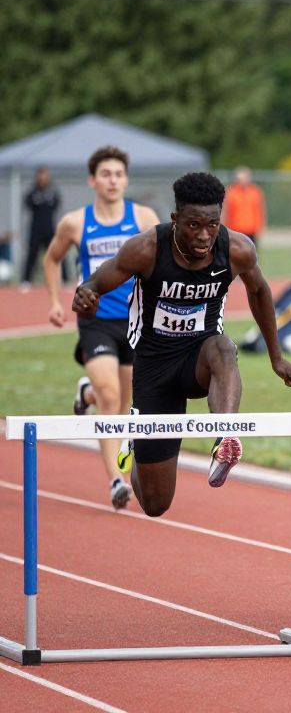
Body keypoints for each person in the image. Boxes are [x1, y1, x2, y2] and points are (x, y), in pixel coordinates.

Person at [71, 172, 291, 517]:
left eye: (212, 224)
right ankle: (136, 440)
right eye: (194, 225)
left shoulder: (236, 249)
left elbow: (260, 292)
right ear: (175, 219)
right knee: (155, 504)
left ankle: (226, 438)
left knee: (223, 347)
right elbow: (96, 282)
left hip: (200, 357)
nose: (204, 235)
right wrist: (86, 297)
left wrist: (276, 357)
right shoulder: (147, 249)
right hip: (154, 367)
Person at [43, 146, 161, 509]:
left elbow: (161, 262)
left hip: (134, 321)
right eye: (106, 174)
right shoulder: (76, 222)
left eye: (119, 174)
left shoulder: (142, 218)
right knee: (111, 398)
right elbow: (52, 258)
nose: (113, 180)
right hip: (95, 322)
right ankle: (116, 480)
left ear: (126, 180)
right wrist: (54, 301)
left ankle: (87, 394)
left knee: (123, 404)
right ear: (92, 180)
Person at [21, 167, 63, 289]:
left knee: (57, 253)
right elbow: (28, 205)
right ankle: (26, 280)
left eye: (45, 176)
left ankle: (63, 279)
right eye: (40, 176)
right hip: (35, 229)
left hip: (50, 228)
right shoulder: (32, 193)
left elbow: (56, 206)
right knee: (32, 254)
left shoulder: (53, 192)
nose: (42, 178)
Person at [223, 166, 266, 249]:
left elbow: (260, 210)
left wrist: (261, 226)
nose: (242, 181)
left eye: (244, 178)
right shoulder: (231, 192)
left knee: (252, 254)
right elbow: (226, 211)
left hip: (251, 229)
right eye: (239, 178)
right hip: (235, 229)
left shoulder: (255, 191)